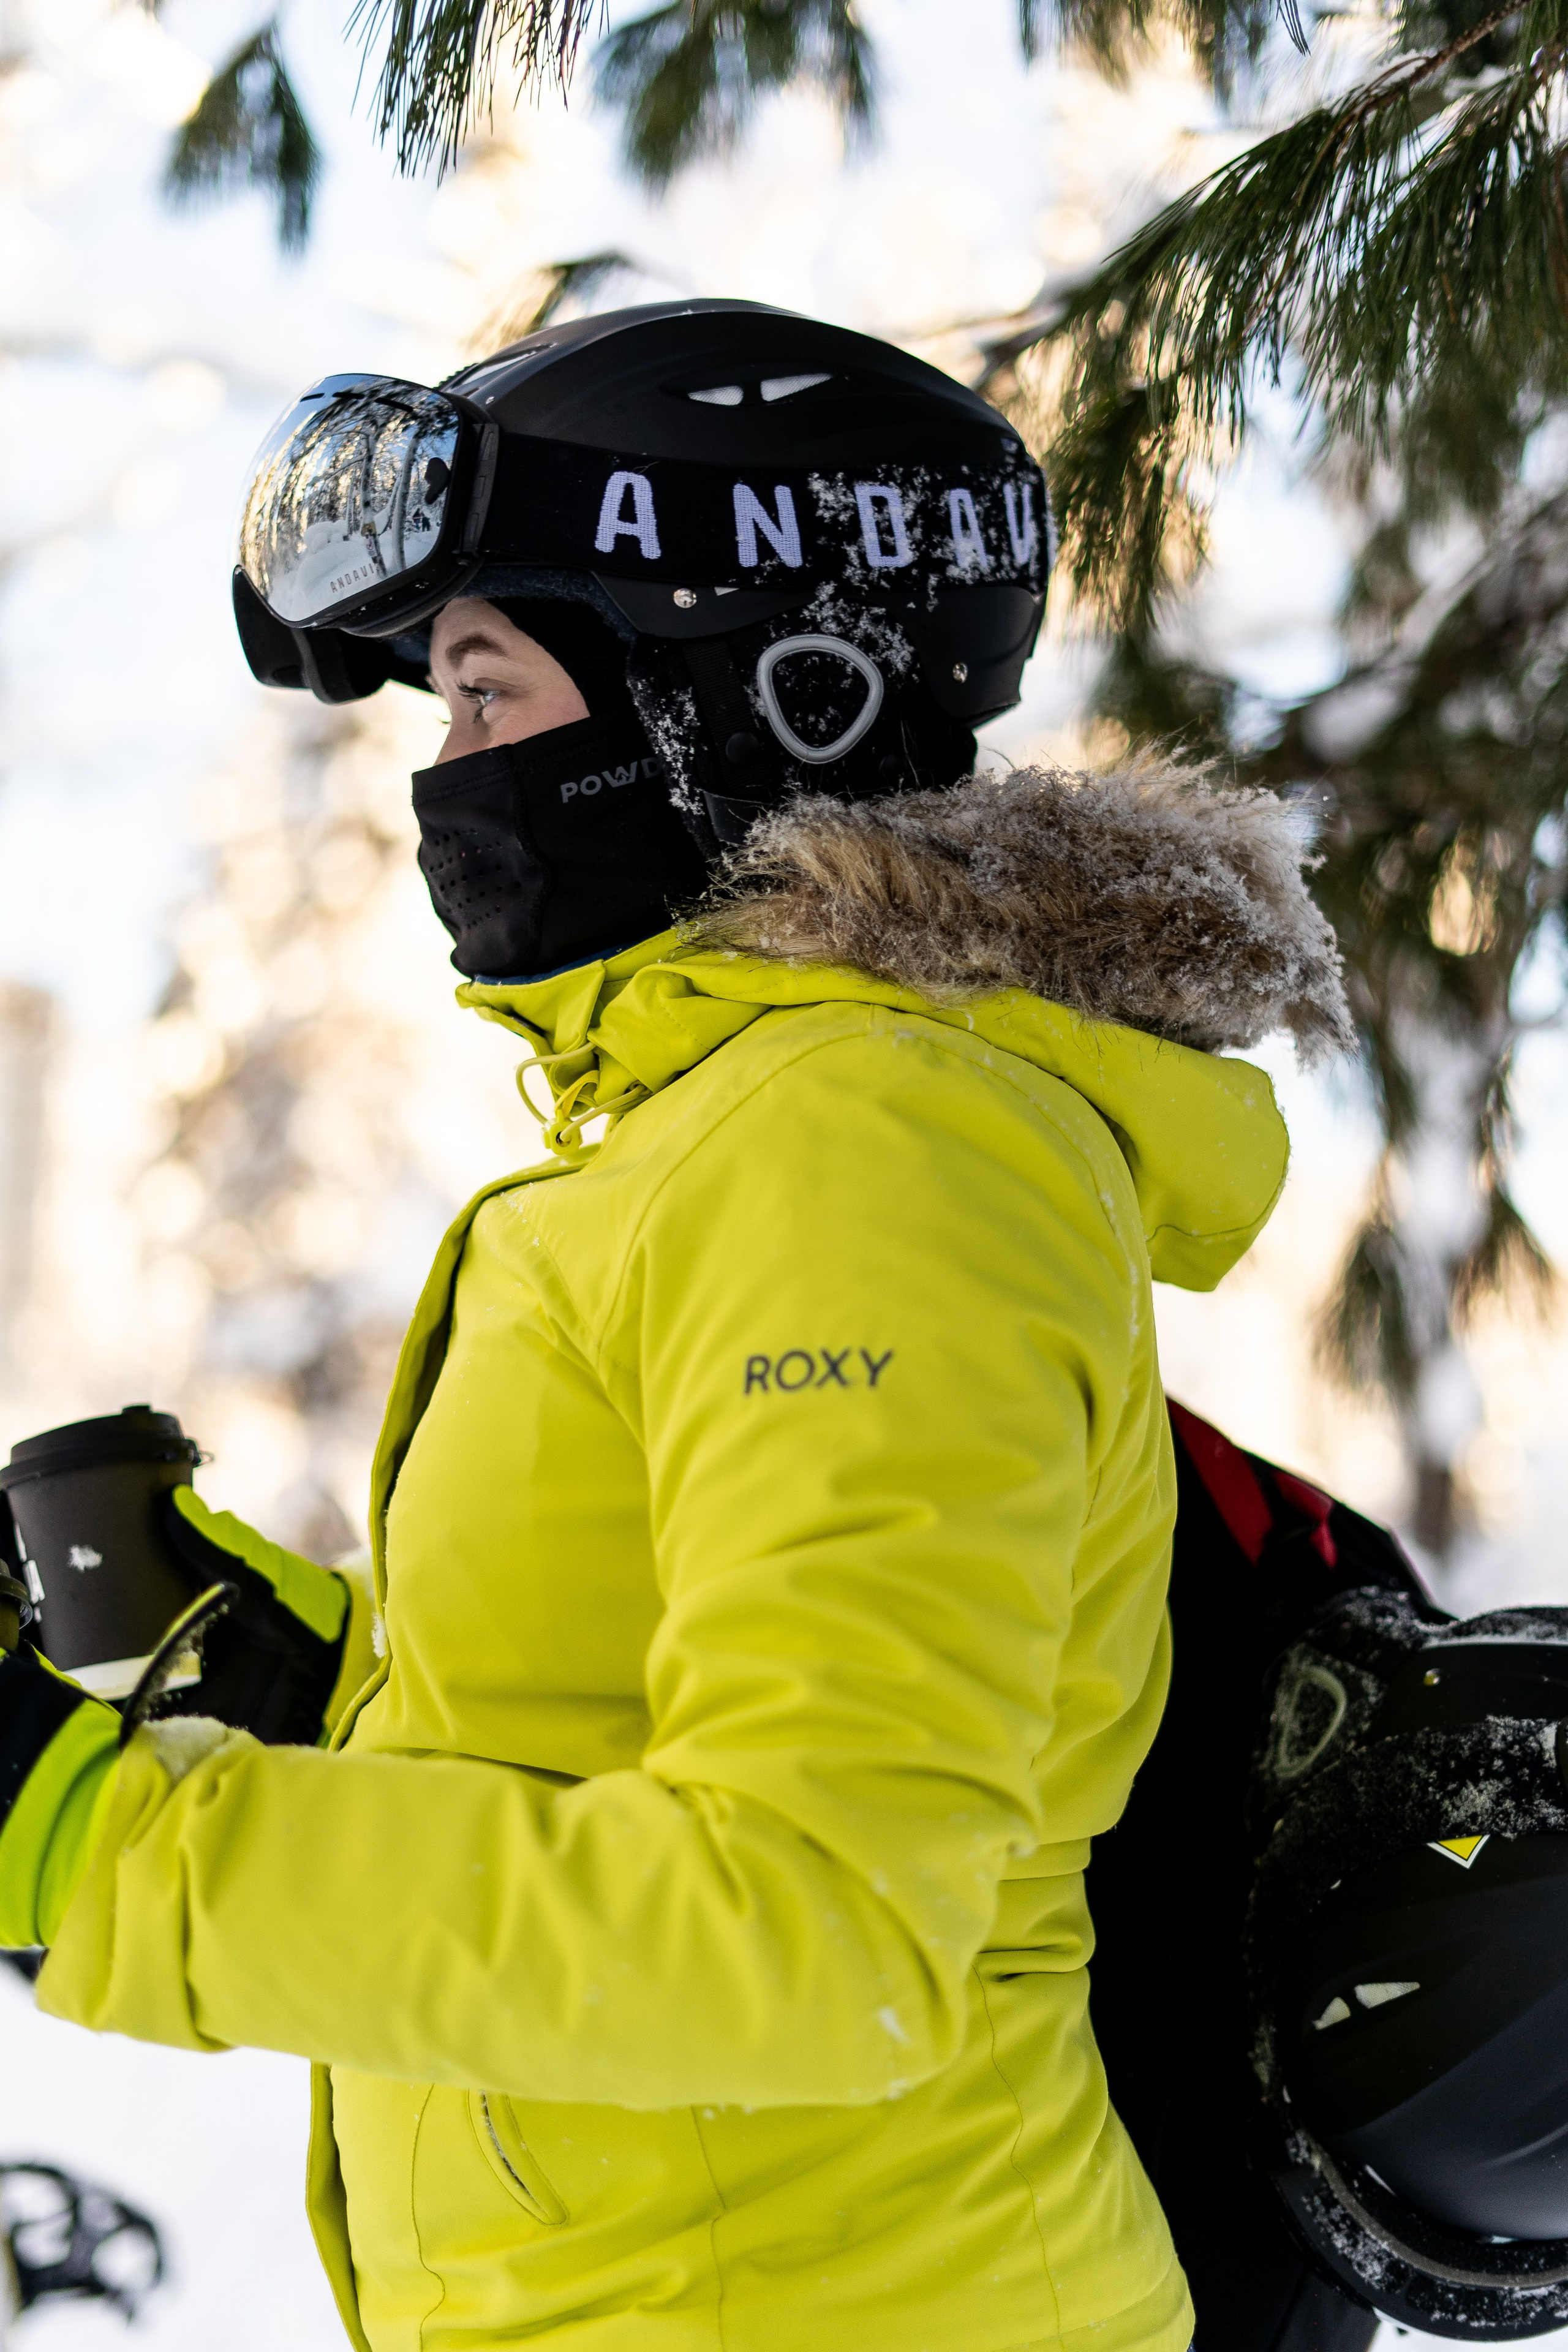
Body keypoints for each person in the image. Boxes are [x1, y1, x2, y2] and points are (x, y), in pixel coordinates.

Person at [0, 302, 1353, 2352]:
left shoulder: (874, 1150)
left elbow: (816, 1930)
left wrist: (88, 1851)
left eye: (481, 691)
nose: (445, 778)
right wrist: (327, 1694)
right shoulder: (743, 1127)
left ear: (762, 698)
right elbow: (670, 1740)